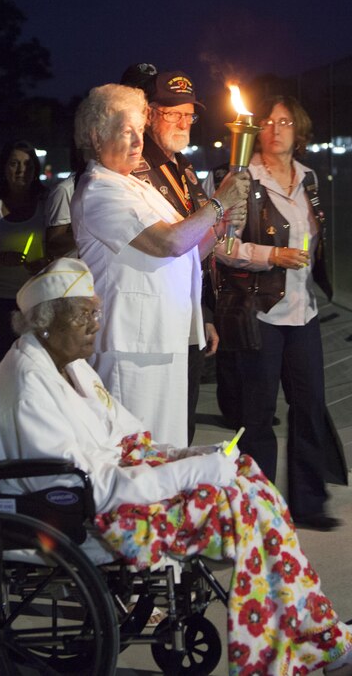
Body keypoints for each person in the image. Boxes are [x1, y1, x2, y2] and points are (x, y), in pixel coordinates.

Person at [0, 258, 352, 676]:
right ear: (44, 320)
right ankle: (327, 647)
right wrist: (195, 473)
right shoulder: (29, 388)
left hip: (108, 495)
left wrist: (189, 455)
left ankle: (328, 641)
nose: (95, 323)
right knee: (244, 508)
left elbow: (129, 437)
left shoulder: (69, 366)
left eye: (95, 312)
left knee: (250, 482)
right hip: (84, 516)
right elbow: (92, 487)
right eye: (82, 315)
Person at [70, 83, 249, 448]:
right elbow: (167, 242)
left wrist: (222, 222)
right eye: (126, 132)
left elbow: (189, 252)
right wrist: (217, 203)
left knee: (167, 446)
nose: (138, 142)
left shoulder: (137, 186)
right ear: (95, 135)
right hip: (130, 347)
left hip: (164, 338)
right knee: (134, 452)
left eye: (140, 130)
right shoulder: (99, 190)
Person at [213, 95, 345, 532]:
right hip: (261, 314)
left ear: (299, 131)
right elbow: (222, 246)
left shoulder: (309, 179)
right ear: (257, 132)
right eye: (268, 121)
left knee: (309, 407)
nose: (276, 127)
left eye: (286, 121)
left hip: (303, 312)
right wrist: (273, 255)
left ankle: (308, 504)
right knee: (258, 416)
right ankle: (259, 512)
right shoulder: (242, 179)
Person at [125, 68, 220, 444]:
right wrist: (218, 206)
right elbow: (169, 245)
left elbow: (197, 250)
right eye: (172, 113)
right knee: (150, 433)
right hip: (150, 325)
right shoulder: (134, 168)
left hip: (185, 317)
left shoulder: (183, 168)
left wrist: (204, 314)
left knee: (183, 426)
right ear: (149, 113)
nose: (184, 122)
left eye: (189, 114)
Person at [0, 140, 49, 362]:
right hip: (1, 303)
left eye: (28, 164)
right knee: (5, 364)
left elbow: (60, 244)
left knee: (39, 364)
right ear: (3, 167)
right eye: (14, 164)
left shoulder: (47, 201)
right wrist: (0, 258)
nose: (22, 170)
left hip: (40, 300)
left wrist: (44, 262)